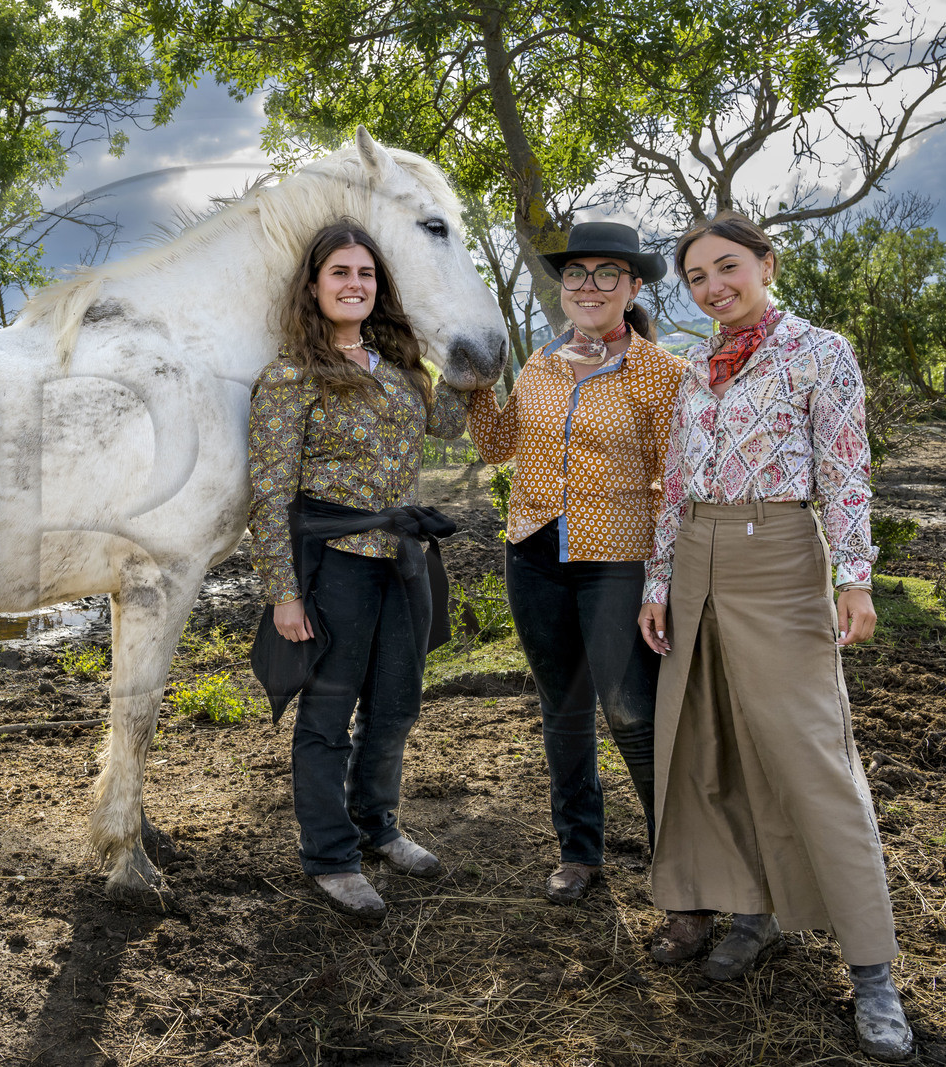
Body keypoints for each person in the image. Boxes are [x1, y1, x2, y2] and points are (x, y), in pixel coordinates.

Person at [637, 211, 911, 1061]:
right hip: (696, 561)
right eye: (697, 278)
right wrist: (658, 582)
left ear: (765, 263)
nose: (714, 287)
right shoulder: (692, 373)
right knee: (709, 745)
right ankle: (751, 912)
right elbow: (674, 482)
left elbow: (846, 467)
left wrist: (852, 574)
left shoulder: (819, 351)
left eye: (728, 267)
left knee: (812, 755)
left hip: (780, 556)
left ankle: (873, 973)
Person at [247, 218, 472, 921]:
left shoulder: (403, 371)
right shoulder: (290, 378)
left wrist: (463, 357)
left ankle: (378, 827)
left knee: (397, 706)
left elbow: (449, 429)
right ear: (313, 287)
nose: (355, 284)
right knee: (327, 716)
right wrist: (284, 594)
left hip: (403, 558)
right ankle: (332, 856)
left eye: (366, 274)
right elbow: (271, 495)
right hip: (334, 561)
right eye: (340, 273)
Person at [466, 221, 686, 905]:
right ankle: (579, 851)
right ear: (562, 287)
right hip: (533, 552)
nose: (589, 286)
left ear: (633, 286)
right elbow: (499, 445)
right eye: (577, 274)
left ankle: (676, 859)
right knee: (562, 708)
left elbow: (673, 484)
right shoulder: (540, 363)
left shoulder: (661, 374)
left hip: (617, 558)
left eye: (606, 274)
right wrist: (476, 386)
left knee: (628, 709)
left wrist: (662, 575)